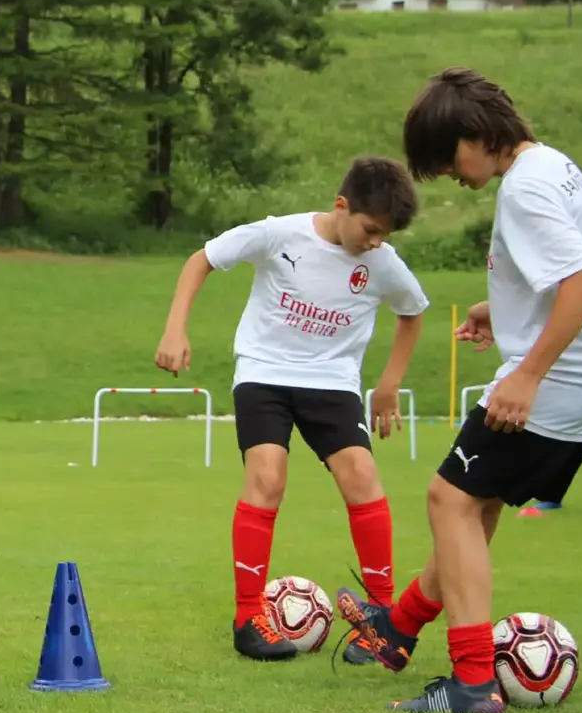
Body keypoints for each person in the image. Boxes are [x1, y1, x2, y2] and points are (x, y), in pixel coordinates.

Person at [336, 68, 582, 713]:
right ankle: (398, 628)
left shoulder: (523, 189)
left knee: (451, 499)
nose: (450, 176)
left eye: (446, 160)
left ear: (474, 134)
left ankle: (471, 681)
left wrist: (526, 374)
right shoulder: (553, 165)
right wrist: (500, 309)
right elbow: (573, 273)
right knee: (478, 503)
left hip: (564, 375)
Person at [156, 156, 428, 663]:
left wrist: (389, 385)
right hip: (264, 374)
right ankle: (247, 618)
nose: (374, 242)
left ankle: (382, 620)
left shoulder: (382, 262)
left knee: (362, 476)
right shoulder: (278, 234)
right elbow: (202, 259)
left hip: (333, 382)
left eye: (384, 235)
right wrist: (176, 328)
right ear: (341, 205)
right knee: (267, 479)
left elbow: (412, 312)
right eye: (370, 229)